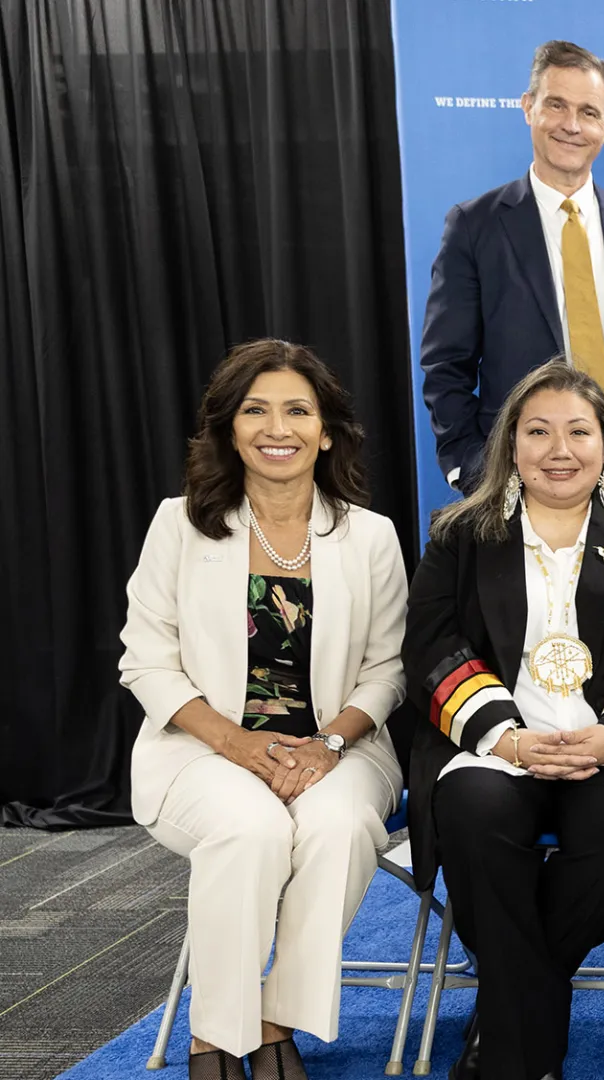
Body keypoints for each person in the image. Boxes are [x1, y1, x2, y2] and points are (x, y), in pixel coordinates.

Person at [120, 339, 407, 1080]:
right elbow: (145, 661)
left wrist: (328, 746)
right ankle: (215, 1035)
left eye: (297, 411)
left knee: (336, 826)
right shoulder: (179, 525)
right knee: (249, 828)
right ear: (229, 428)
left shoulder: (370, 537)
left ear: (327, 431)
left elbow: (386, 671)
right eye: (256, 409)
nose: (276, 428)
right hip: (203, 747)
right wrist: (239, 746)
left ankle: (277, 1022)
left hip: (338, 746)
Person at [404, 361, 604, 1080]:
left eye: (578, 431)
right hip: (496, 744)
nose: (558, 450)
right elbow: (432, 648)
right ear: (512, 441)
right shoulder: (462, 531)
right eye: (538, 431)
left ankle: (507, 1010)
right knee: (472, 814)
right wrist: (506, 736)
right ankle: (525, 1045)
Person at [419, 40, 604, 515]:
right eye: (556, 105)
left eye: (589, 112)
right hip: (522, 474)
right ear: (528, 107)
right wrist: (474, 470)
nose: (572, 125)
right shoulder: (475, 227)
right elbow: (445, 366)